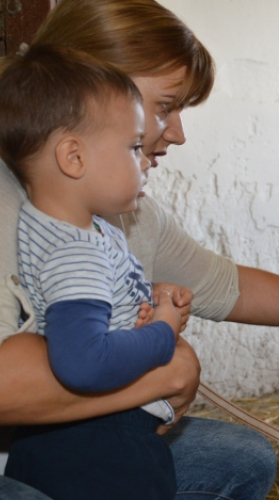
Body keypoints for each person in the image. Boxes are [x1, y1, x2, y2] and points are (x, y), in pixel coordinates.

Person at [0, 1, 279, 498]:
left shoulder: (127, 217)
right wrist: (162, 374)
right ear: (92, 89)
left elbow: (228, 286)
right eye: (165, 106)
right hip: (23, 460)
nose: (177, 133)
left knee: (241, 459)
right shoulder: (13, 205)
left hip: (87, 437)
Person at [0, 44, 193, 499]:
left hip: (65, 441)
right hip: (101, 449)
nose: (145, 159)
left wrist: (143, 298)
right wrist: (164, 332)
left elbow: (85, 307)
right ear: (73, 158)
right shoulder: (76, 250)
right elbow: (85, 362)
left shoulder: (55, 227)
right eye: (132, 147)